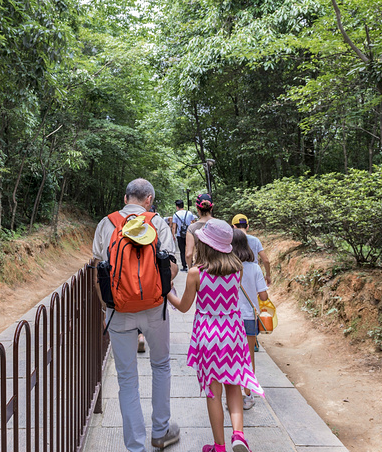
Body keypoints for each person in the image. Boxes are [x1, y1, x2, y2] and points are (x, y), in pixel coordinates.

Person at [92, 178, 181, 452]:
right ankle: (160, 431)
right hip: (155, 309)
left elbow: (99, 272)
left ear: (124, 197)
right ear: (149, 199)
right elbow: (173, 269)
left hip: (118, 311)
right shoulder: (157, 223)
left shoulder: (106, 224)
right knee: (161, 365)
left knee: (127, 379)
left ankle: (135, 446)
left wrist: (108, 306)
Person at [167, 219, 263, 452]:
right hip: (234, 334)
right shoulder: (237, 270)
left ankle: (219, 446)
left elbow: (183, 307)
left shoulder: (196, 274)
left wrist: (167, 291)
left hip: (208, 336)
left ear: (205, 245)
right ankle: (238, 435)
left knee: (213, 392)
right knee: (234, 386)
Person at [231, 229, 269, 410]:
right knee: (248, 358)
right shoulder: (255, 268)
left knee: (231, 357)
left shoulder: (227, 268)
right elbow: (263, 297)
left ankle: (233, 396)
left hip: (230, 319)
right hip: (249, 319)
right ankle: (248, 395)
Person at [231, 214, 271, 287]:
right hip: (253, 274)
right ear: (247, 227)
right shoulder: (255, 240)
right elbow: (266, 260)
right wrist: (268, 275)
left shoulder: (230, 240)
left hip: (235, 273)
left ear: (234, 226)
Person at [185, 193, 214, 268]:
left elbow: (189, 254)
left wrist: (191, 268)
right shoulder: (220, 225)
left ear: (197, 208)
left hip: (200, 267)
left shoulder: (192, 228)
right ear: (211, 208)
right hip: (217, 266)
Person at [171, 200, 196, 272]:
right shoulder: (189, 213)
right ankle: (190, 265)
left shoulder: (175, 215)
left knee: (182, 251)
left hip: (180, 235)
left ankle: (184, 266)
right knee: (189, 249)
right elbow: (193, 223)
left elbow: (174, 226)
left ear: (177, 206)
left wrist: (173, 235)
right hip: (189, 234)